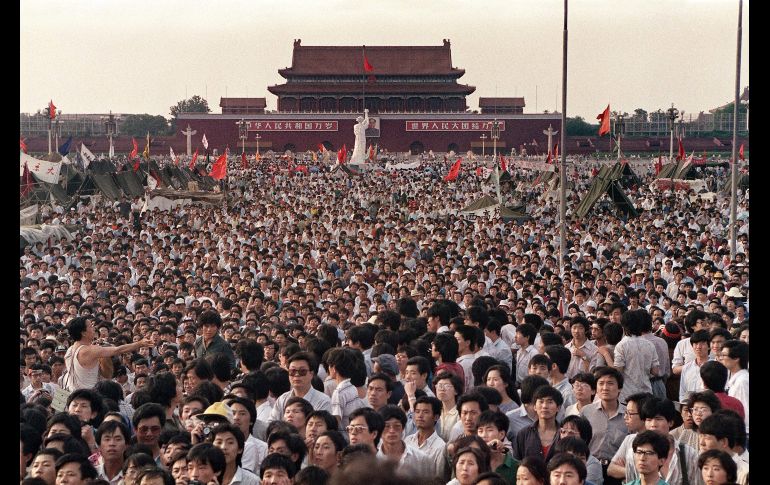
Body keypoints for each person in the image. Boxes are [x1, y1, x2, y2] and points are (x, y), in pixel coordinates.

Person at [62, 316, 151, 391]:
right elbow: (117, 350)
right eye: (90, 326)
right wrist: (140, 343)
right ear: (83, 333)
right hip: (89, 396)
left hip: (73, 395)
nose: (94, 328)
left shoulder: (70, 349)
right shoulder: (89, 350)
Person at [580, 367, 626, 485]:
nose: (605, 387)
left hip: (616, 470)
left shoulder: (628, 415)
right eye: (601, 383)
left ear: (619, 387)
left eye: (610, 383)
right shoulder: (586, 411)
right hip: (590, 468)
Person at [376, 404, 433, 477]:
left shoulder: (420, 458)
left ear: (403, 428)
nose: (392, 431)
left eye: (397, 426)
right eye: (387, 426)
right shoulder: (373, 459)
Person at [513, 385, 562, 462]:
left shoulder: (564, 434)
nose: (545, 406)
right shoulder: (524, 434)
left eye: (550, 402)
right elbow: (517, 462)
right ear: (535, 407)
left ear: (558, 408)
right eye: (541, 402)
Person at [404, 396, 446, 478]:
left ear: (436, 417)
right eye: (417, 411)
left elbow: (439, 477)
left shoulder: (440, 447)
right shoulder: (407, 440)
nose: (420, 416)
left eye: (426, 412)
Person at [718, 341, 748, 436]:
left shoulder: (742, 381)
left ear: (736, 358)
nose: (721, 358)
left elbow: (746, 411)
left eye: (724, 355)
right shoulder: (735, 378)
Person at [94, 420, 130, 485]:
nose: (112, 443)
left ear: (126, 445)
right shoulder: (93, 475)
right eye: (107, 439)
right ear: (99, 446)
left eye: (118, 439)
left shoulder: (132, 476)